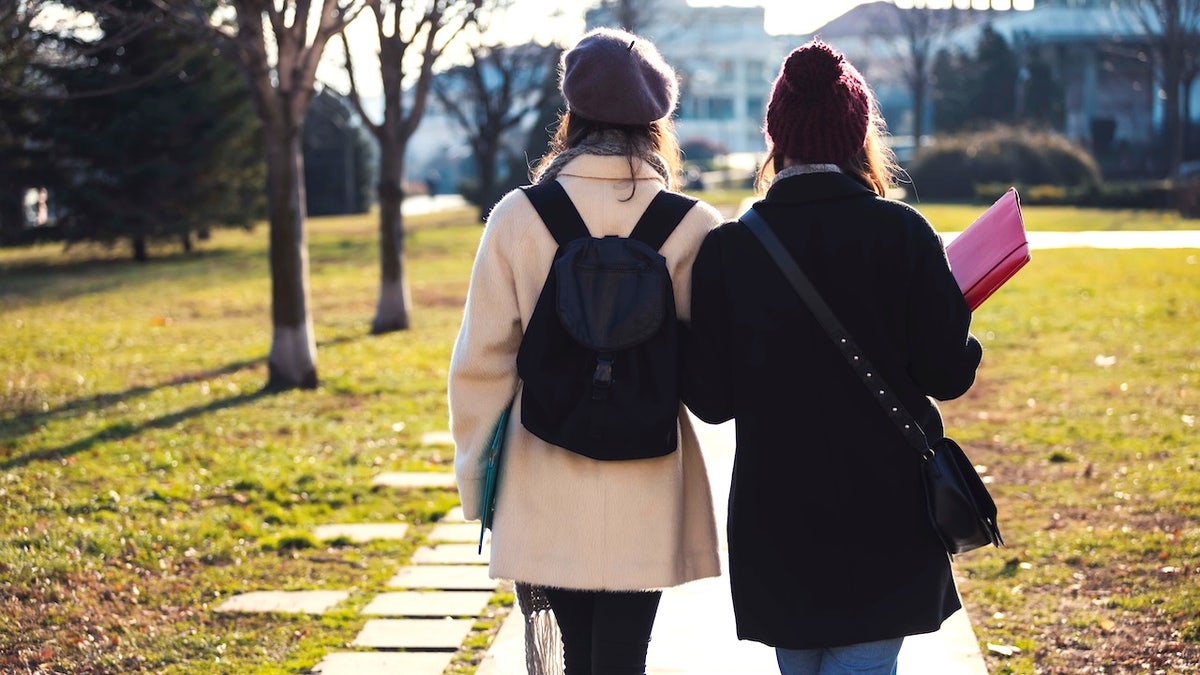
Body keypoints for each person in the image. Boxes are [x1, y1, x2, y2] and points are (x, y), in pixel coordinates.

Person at [682, 40, 983, 675]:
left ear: (776, 136)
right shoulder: (904, 233)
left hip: (778, 514)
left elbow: (710, 402)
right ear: (857, 135)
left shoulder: (729, 251)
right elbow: (946, 376)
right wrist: (961, 319)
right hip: (887, 510)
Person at [448, 28, 722, 675]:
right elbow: (710, 369)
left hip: (545, 474)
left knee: (574, 655)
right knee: (625, 657)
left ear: (571, 115)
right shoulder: (694, 225)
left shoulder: (518, 217)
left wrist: (476, 486)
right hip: (649, 480)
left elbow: (481, 363)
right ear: (658, 123)